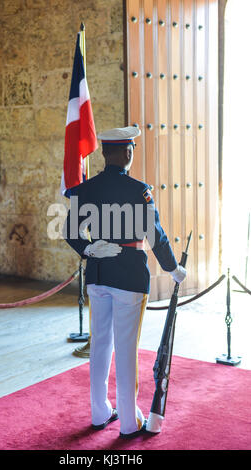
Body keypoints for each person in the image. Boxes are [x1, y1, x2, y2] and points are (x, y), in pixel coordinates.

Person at [64, 126, 186, 438]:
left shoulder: (86, 189)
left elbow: (70, 231)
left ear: (105, 153)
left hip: (98, 275)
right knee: (126, 348)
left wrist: (89, 249)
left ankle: (99, 411)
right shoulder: (138, 190)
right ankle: (129, 423)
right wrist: (173, 269)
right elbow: (154, 236)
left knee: (101, 345)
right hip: (129, 277)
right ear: (128, 153)